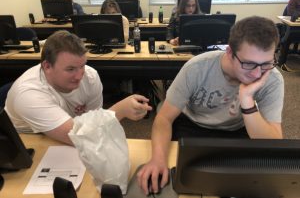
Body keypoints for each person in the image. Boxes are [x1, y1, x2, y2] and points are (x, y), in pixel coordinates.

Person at [137, 16, 284, 195]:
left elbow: (273, 143)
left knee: (245, 186)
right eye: (249, 64)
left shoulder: (272, 79)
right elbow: (164, 118)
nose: (257, 73)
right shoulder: (197, 68)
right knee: (184, 184)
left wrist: (247, 101)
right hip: (193, 126)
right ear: (230, 52)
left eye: (266, 64)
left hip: (238, 130)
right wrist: (158, 159)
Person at [4, 30, 152, 145]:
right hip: (29, 141)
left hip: (67, 133)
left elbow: (94, 124)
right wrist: (118, 111)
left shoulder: (90, 76)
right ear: (47, 66)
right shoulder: (28, 94)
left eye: (82, 65)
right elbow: (80, 138)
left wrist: (105, 120)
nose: (80, 75)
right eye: (70, 69)